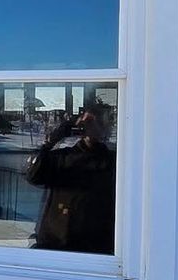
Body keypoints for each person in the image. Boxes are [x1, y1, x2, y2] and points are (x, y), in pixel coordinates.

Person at [26, 101, 116, 253]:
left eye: (98, 121)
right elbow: (34, 176)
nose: (92, 126)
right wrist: (56, 137)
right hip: (55, 243)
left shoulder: (113, 161)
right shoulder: (62, 158)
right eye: (89, 122)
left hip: (96, 247)